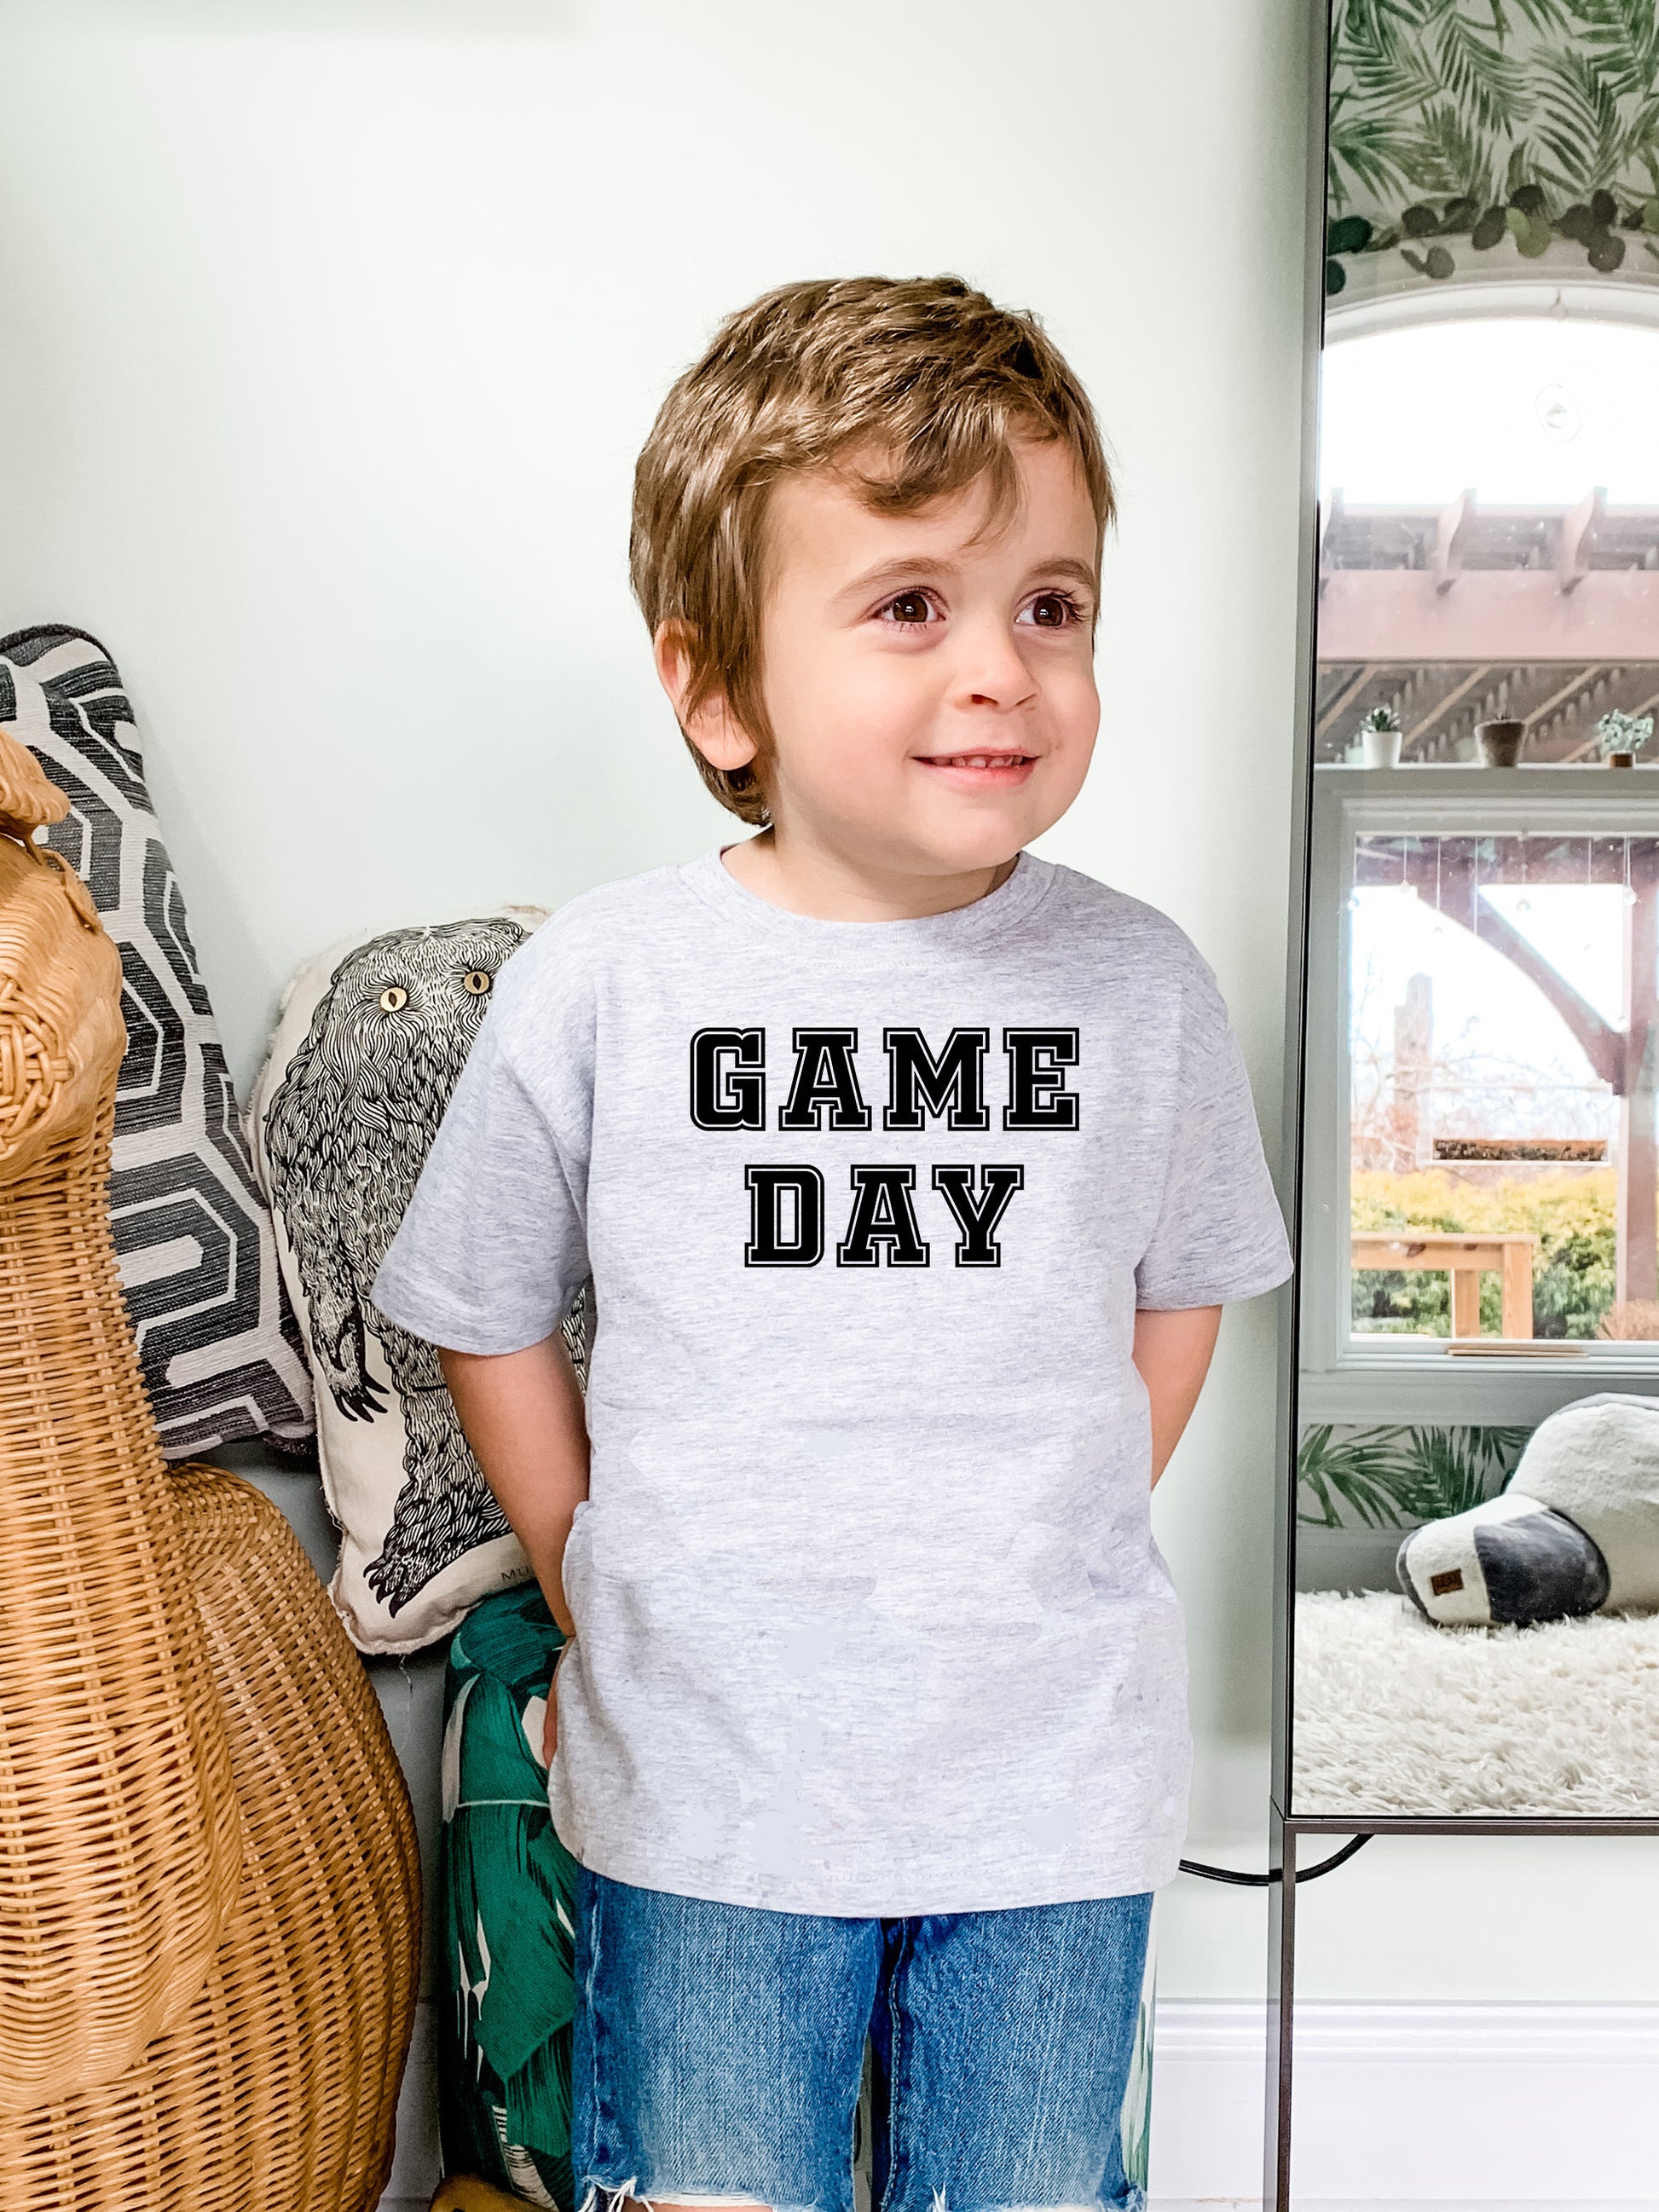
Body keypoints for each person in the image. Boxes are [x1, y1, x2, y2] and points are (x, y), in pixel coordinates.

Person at [373, 274, 1292, 2212]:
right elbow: (480, 1305)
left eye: (1050, 602)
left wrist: (1060, 1501)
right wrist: (584, 1554)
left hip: (1048, 1788)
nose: (1003, 669)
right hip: (704, 1778)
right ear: (716, 687)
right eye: (909, 604)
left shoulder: (1137, 984)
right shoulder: (608, 978)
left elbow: (1182, 1279)